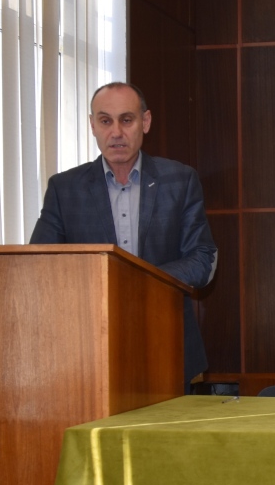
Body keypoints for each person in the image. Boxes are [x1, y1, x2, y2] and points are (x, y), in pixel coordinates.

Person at [30, 82, 217, 385]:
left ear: (145, 122)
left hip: (167, 344)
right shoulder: (64, 189)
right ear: (93, 125)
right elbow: (41, 267)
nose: (116, 132)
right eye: (105, 121)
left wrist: (137, 280)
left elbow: (202, 259)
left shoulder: (180, 180)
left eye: (126, 120)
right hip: (88, 351)